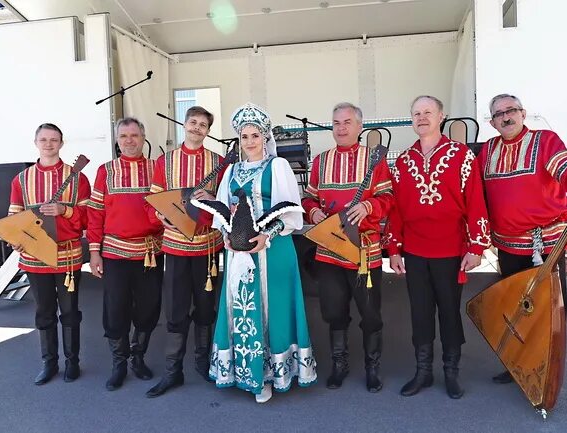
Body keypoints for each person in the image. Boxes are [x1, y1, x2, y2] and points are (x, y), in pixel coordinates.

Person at [478, 94, 567, 384]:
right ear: (492, 121)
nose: (506, 117)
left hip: (545, 242)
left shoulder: (545, 140)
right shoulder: (488, 150)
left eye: (511, 111)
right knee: (515, 306)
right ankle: (519, 363)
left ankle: (548, 368)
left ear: (523, 113)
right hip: (507, 244)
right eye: (498, 114)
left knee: (550, 308)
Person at [204, 102, 317, 404]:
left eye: (255, 136)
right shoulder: (231, 171)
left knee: (274, 309)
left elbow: (292, 210)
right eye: (244, 137)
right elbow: (221, 210)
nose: (250, 142)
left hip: (274, 251)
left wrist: (267, 235)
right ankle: (246, 373)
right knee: (241, 310)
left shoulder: (277, 167)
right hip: (239, 252)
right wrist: (226, 235)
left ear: (265, 138)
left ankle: (270, 375)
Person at [384, 95, 490, 399]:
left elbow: (475, 201)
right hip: (415, 251)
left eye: (427, 112)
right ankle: (423, 372)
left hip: (450, 251)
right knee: (419, 312)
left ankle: (451, 372)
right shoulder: (403, 161)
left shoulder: (461, 155)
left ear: (441, 116)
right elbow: (397, 210)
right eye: (416, 113)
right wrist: (394, 249)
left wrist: (477, 246)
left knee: (448, 312)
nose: (421, 118)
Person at [302, 102, 393, 393]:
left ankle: (372, 368)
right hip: (329, 250)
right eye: (336, 123)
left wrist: (369, 205)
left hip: (365, 252)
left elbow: (390, 198)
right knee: (334, 310)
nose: (341, 128)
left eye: (347, 122)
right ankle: (339, 365)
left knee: (371, 313)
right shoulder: (320, 160)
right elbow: (308, 199)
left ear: (359, 127)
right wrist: (312, 212)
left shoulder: (374, 160)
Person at [145, 106, 225, 398]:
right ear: (184, 124)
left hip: (207, 248)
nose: (196, 128)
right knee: (176, 311)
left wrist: (214, 197)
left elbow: (229, 202)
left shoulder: (219, 162)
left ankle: (202, 363)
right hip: (176, 247)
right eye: (193, 122)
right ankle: (172, 372)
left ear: (207, 130)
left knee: (205, 308)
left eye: (203, 124)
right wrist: (160, 217)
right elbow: (153, 201)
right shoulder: (164, 162)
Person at [8, 123, 91, 385]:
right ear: (36, 143)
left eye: (53, 139)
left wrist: (64, 211)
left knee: (69, 311)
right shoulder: (21, 179)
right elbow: (15, 217)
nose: (48, 144)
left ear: (61, 143)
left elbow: (88, 217)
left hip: (68, 256)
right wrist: (16, 240)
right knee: (43, 311)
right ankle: (49, 363)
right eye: (43, 139)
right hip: (35, 257)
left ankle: (72, 362)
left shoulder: (78, 177)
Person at [87, 117, 164, 391]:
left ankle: (138, 358)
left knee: (148, 307)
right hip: (115, 252)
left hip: (149, 251)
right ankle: (119, 362)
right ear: (117, 140)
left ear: (143, 137)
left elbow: (166, 209)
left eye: (134, 135)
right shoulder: (105, 171)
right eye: (124, 136)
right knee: (115, 309)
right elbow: (95, 214)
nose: (129, 140)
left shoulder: (158, 168)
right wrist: (94, 253)